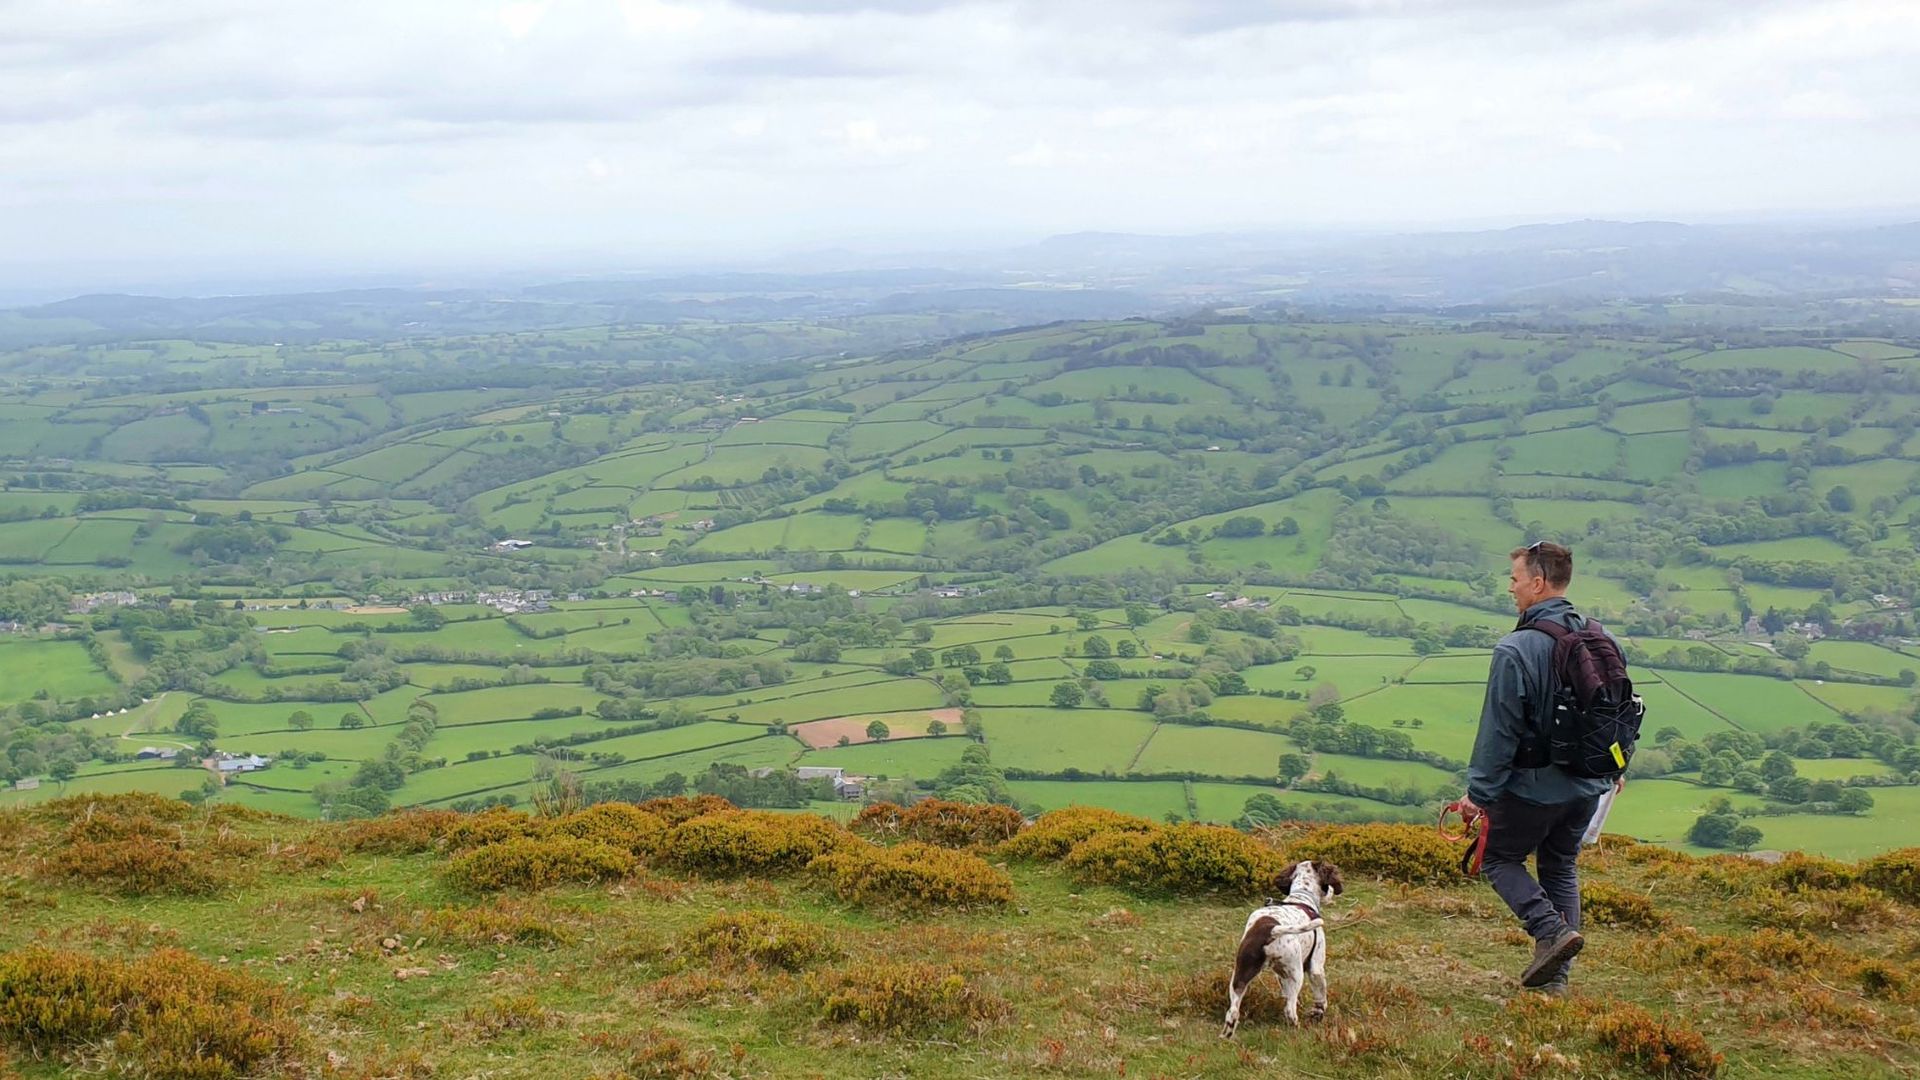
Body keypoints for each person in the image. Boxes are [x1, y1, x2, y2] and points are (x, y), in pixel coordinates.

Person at [1459, 541, 1618, 996]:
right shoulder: (1601, 637)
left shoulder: (1516, 650)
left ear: (1538, 582)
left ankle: (1550, 931)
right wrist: (1613, 768)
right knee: (1560, 865)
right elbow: (1619, 711)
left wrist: (1478, 795)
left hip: (1533, 788)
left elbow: (1499, 731)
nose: (1510, 587)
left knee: (1498, 858)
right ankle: (1555, 982)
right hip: (1589, 784)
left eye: (1514, 578)